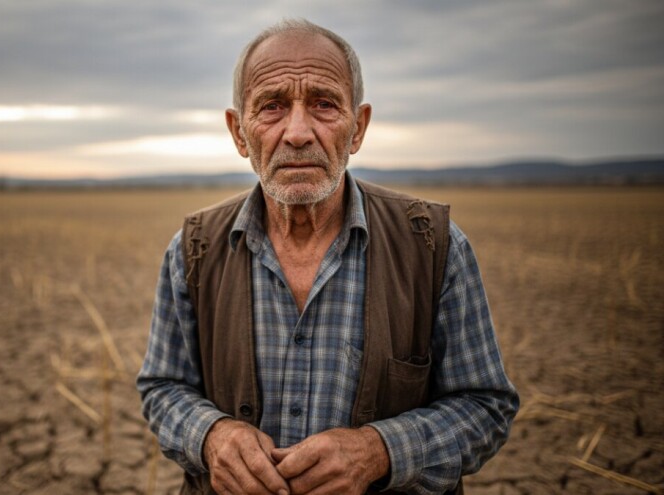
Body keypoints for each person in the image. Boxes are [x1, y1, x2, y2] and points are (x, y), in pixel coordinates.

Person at [137, 19, 519, 495]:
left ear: (358, 127)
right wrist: (211, 435)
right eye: (272, 107)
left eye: (323, 104)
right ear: (239, 133)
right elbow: (162, 388)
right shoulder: (195, 249)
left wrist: (381, 450)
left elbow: (485, 405)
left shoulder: (434, 247)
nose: (298, 132)